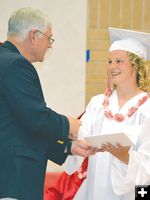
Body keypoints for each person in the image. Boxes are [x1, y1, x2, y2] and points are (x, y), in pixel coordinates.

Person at [0, 7, 95, 200]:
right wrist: (69, 124)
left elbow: (24, 126)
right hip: (14, 178)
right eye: (49, 38)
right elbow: (36, 117)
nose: (50, 45)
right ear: (34, 35)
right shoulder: (15, 64)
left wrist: (68, 148)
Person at [63, 27, 150, 200]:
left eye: (119, 61)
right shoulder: (98, 103)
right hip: (95, 188)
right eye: (110, 61)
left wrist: (125, 156)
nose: (112, 67)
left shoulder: (146, 107)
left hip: (129, 193)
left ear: (136, 64)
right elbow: (82, 140)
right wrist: (70, 129)